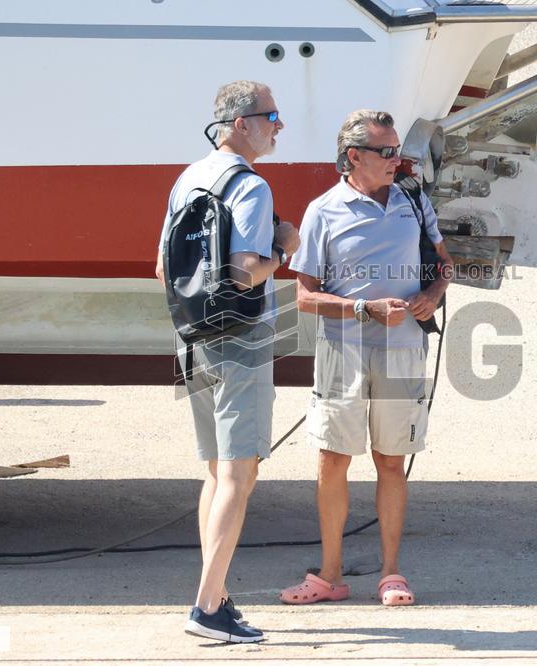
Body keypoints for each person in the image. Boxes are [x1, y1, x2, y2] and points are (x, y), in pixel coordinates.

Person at [282, 110, 452, 607]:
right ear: (354, 156)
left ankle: (392, 574)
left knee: (391, 460)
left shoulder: (413, 200)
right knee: (333, 458)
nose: (397, 159)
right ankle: (329, 576)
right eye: (386, 151)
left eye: (397, 150)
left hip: (403, 350)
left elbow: (445, 263)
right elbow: (304, 297)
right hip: (344, 350)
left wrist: (433, 294)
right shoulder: (323, 211)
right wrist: (364, 309)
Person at [156, 80, 300, 642]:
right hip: (240, 339)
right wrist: (284, 248)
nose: (279, 126)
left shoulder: (188, 178)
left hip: (191, 337)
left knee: (216, 472)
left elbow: (164, 269)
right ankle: (207, 609)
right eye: (272, 116)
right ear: (241, 124)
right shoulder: (251, 186)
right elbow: (243, 273)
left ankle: (213, 594)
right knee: (240, 476)